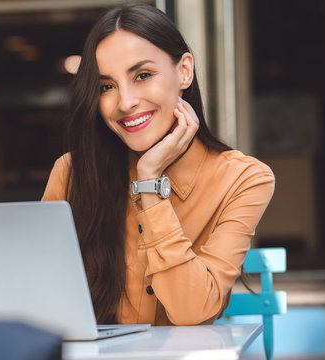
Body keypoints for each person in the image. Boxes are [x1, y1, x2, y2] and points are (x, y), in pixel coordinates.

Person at [42, 2, 274, 326]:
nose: (125, 102)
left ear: (184, 71)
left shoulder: (243, 179)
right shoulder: (72, 173)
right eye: (106, 86)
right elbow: (41, 300)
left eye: (142, 75)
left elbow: (193, 311)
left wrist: (149, 182)